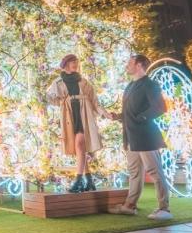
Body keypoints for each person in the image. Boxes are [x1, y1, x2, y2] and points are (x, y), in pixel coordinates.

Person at [109, 54, 170, 219]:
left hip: (145, 136)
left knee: (155, 171)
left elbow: (160, 107)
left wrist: (141, 118)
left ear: (140, 65)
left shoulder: (149, 84)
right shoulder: (130, 86)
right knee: (135, 172)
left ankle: (164, 209)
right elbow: (130, 112)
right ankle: (130, 205)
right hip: (130, 137)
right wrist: (117, 116)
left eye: (130, 63)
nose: (127, 65)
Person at [46, 55, 110, 192]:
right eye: (72, 61)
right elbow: (51, 98)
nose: (75, 64)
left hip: (84, 115)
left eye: (76, 61)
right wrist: (63, 103)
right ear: (66, 64)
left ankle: (78, 181)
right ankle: (90, 181)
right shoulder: (58, 82)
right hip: (69, 116)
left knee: (80, 145)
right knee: (79, 149)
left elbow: (94, 102)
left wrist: (105, 113)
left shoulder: (83, 82)